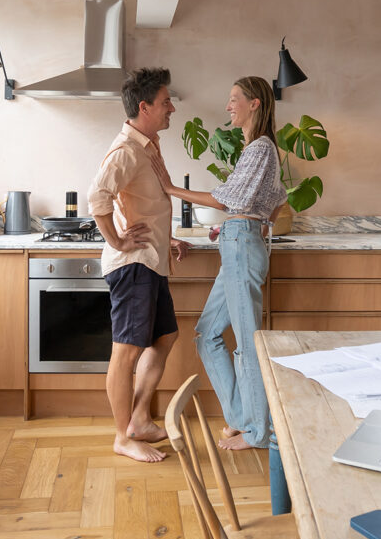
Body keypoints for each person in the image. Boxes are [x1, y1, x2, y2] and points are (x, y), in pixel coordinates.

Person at [152, 76, 287, 454]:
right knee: (206, 333)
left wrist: (171, 188)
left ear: (255, 103)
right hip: (239, 241)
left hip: (242, 246)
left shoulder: (260, 148)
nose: (228, 106)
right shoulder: (258, 149)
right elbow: (277, 199)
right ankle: (244, 420)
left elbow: (228, 199)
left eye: (234, 99)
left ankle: (259, 432)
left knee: (246, 344)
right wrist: (240, 223)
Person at [88, 67, 190, 463]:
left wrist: (169, 240)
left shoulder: (145, 146)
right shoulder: (127, 150)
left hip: (150, 261)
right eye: (166, 102)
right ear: (145, 107)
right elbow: (98, 197)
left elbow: (142, 203)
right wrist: (115, 240)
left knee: (165, 337)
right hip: (133, 267)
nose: (172, 109)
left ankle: (139, 420)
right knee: (126, 351)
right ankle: (121, 435)